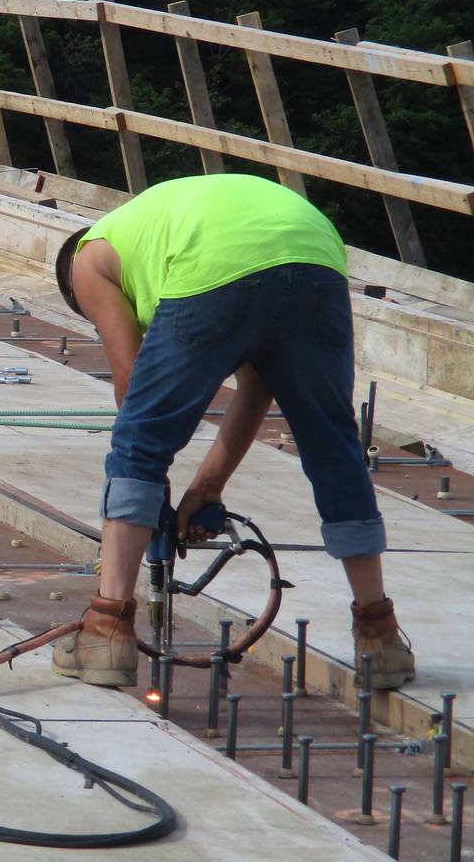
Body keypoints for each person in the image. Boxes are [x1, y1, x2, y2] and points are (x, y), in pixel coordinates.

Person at [49, 173, 415, 690]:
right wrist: (206, 488)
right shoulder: (155, 224)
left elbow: (134, 391)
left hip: (213, 261)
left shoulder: (86, 260)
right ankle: (380, 637)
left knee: (137, 445)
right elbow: (257, 385)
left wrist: (148, 493)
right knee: (334, 446)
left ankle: (107, 631)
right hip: (312, 252)